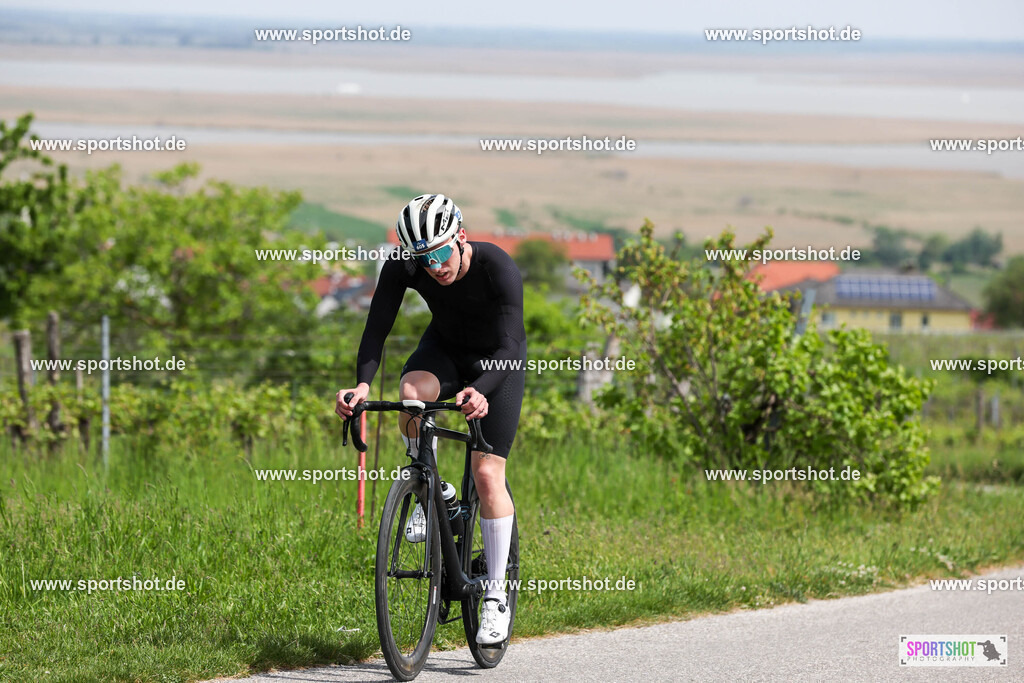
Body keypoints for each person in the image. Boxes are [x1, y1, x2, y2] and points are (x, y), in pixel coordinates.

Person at [335, 193, 526, 645]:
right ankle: (430, 485)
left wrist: (480, 391)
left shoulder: (496, 266)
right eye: (423, 258)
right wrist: (361, 387)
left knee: (486, 472)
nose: (434, 266)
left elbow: (511, 345)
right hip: (444, 349)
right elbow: (376, 329)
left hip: (496, 364)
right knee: (410, 395)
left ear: (460, 235)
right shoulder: (406, 265)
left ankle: (496, 596)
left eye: (440, 253)